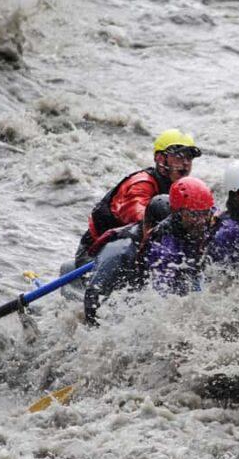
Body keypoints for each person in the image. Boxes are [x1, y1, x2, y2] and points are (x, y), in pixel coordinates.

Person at [74, 129, 201, 266]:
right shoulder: (141, 184)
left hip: (134, 246)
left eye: (189, 158)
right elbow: (140, 215)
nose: (186, 163)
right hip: (94, 253)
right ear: (160, 159)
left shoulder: (183, 189)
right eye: (179, 156)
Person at [83, 195, 171, 325]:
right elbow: (93, 295)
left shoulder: (170, 242)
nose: (165, 239)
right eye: (162, 233)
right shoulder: (119, 250)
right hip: (111, 298)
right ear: (148, 226)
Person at [145, 177, 215, 296]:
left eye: (205, 213)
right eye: (194, 214)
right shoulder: (165, 248)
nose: (201, 221)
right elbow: (162, 295)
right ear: (176, 212)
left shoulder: (211, 217)